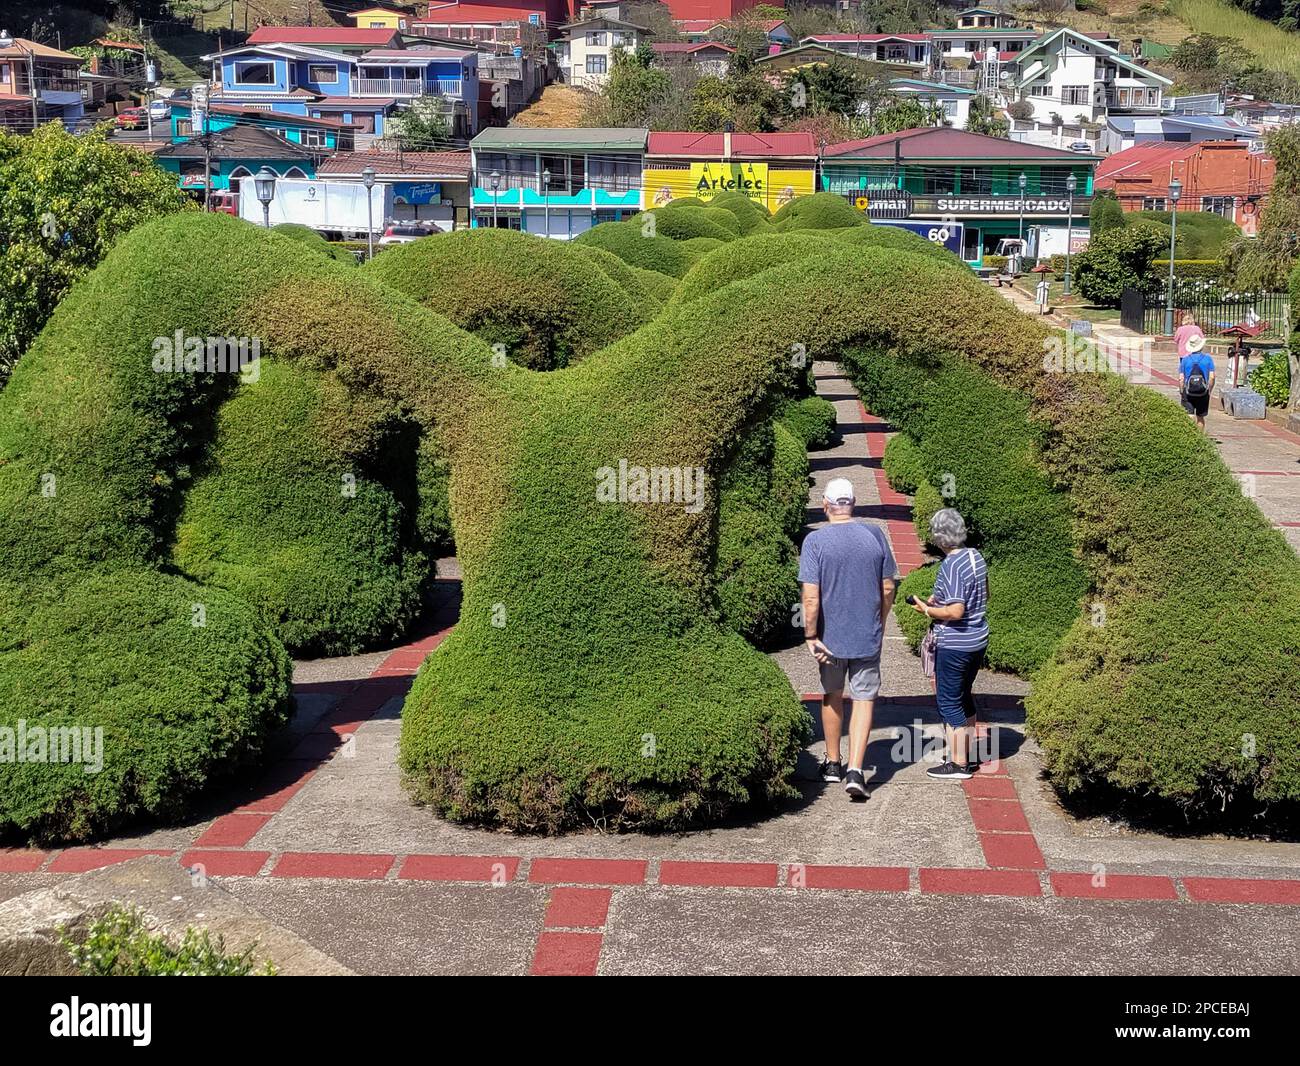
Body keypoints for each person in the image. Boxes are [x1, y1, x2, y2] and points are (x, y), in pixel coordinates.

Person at [798, 477, 897, 800]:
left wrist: (811, 634)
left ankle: (832, 762)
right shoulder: (874, 535)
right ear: (852, 504)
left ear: (826, 505)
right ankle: (856, 769)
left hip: (830, 636)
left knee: (832, 694)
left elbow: (811, 597)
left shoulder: (814, 543)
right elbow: (888, 587)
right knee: (864, 698)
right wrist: (879, 621)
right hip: (866, 633)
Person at [908, 509, 988, 781]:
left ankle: (958, 764)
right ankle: (966, 755)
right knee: (964, 696)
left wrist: (928, 611)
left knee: (948, 701)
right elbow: (983, 592)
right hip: (977, 639)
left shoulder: (951, 565)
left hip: (956, 643)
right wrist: (937, 598)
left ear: (939, 538)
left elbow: (955, 611)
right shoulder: (974, 556)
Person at [1175, 311, 1215, 431]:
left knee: (1189, 414)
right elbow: (1212, 376)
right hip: (1203, 391)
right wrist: (1209, 389)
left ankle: (1190, 435)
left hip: (1188, 389)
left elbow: (1181, 378)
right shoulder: (1208, 359)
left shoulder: (1185, 360)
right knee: (1200, 416)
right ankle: (1200, 437)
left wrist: (1182, 390)